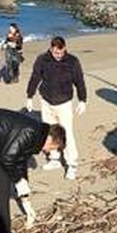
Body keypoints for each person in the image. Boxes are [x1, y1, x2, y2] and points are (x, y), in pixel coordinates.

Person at [26, 36, 87, 180]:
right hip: (46, 101)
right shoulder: (42, 59)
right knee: (49, 132)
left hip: (64, 102)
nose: (57, 56)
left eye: (60, 53)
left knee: (67, 133)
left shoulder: (72, 61)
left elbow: (79, 81)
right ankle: (54, 159)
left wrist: (83, 100)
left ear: (64, 48)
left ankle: (72, 164)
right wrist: (29, 96)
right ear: (51, 49)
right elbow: (35, 77)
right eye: (55, 53)